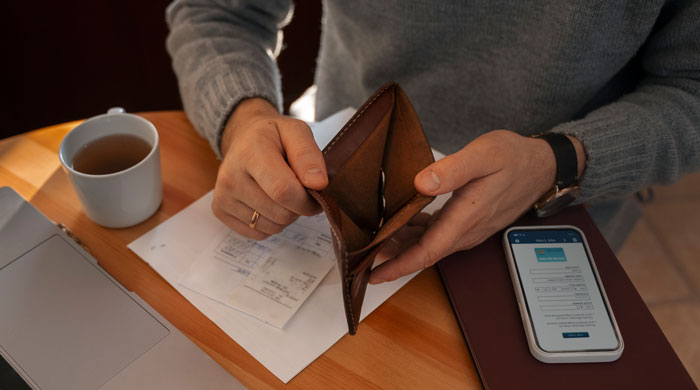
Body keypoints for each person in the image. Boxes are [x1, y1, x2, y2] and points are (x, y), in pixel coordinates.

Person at [166, 1, 700, 284]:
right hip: (340, 194)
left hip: (554, 212)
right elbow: (216, 12)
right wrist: (243, 118)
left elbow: (691, 87)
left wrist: (558, 161)